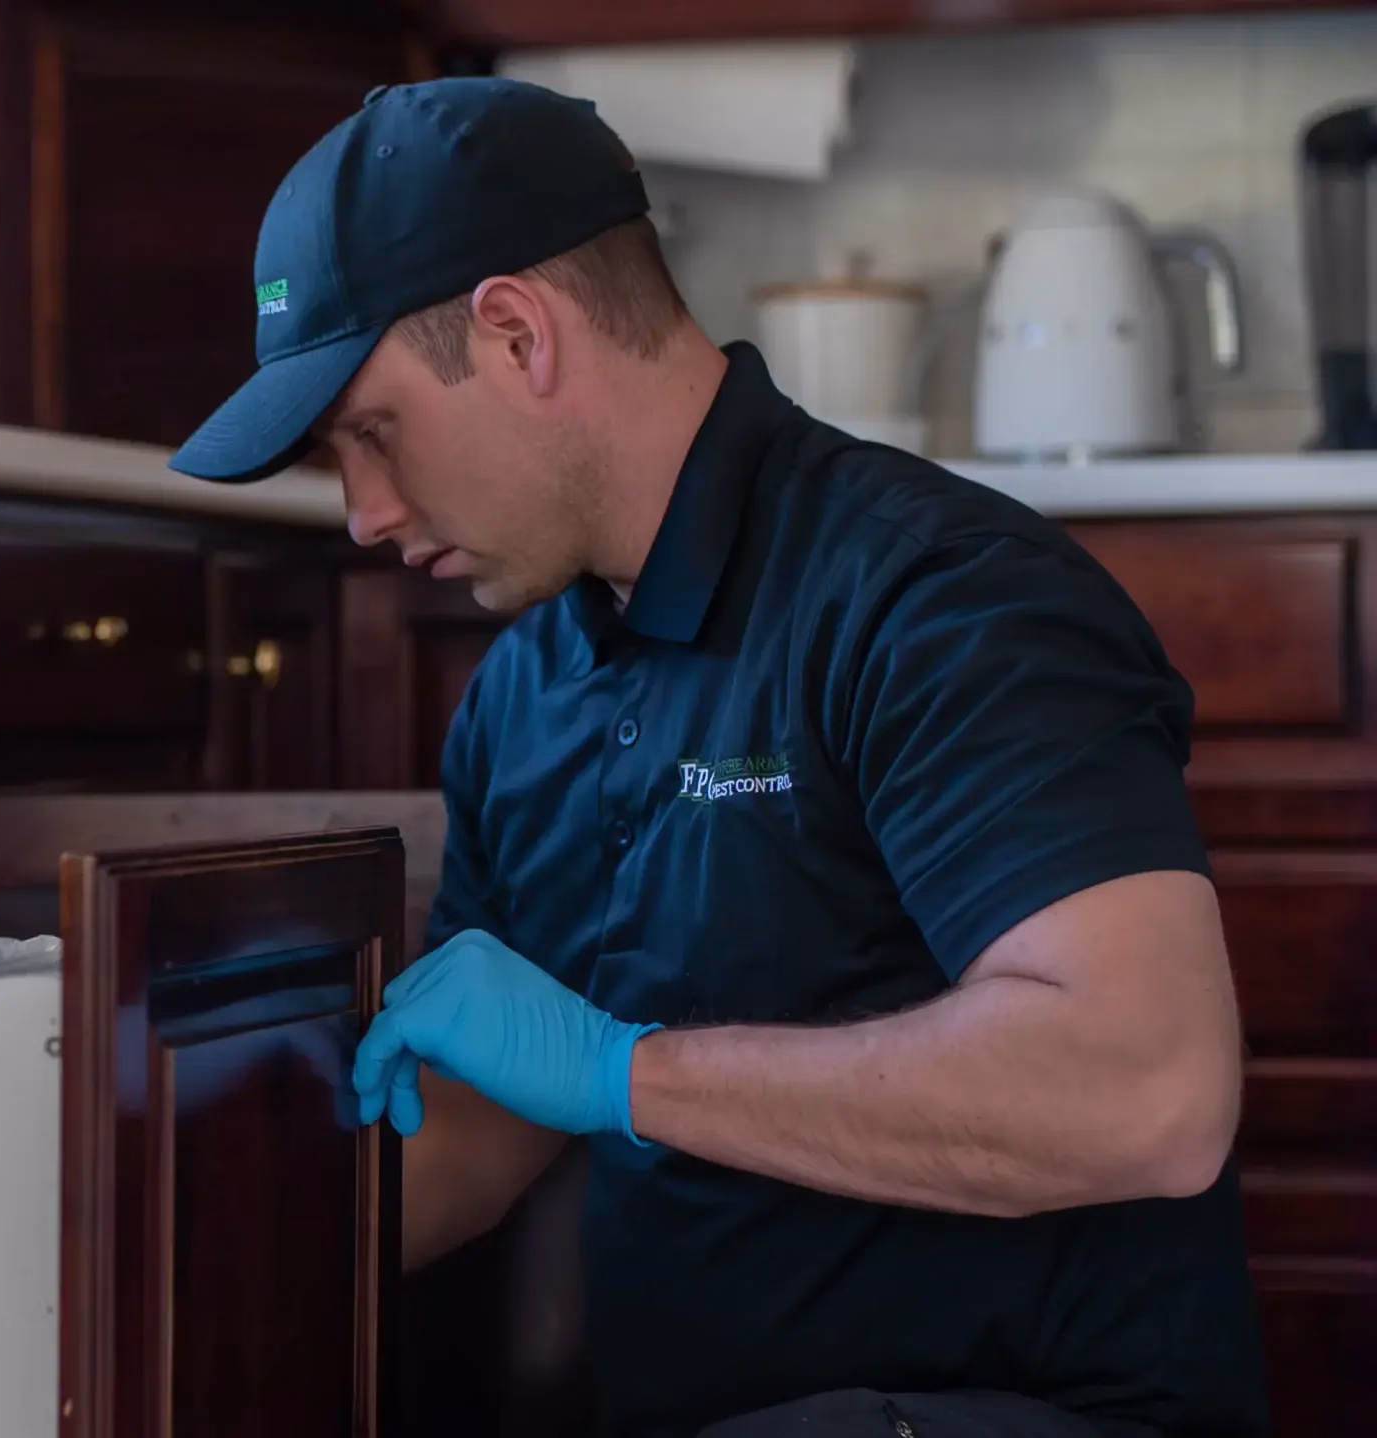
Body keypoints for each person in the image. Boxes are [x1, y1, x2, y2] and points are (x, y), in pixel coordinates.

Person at [167, 77, 1266, 1438]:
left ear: (517, 334)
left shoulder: (937, 599)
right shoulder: (523, 692)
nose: (364, 514)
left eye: (372, 434)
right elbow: (494, 1122)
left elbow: (1147, 1088)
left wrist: (625, 1070)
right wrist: (133, 1261)